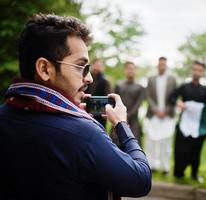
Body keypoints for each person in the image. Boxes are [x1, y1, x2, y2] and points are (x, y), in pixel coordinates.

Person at [0, 14, 151, 200]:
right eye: (81, 67)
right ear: (45, 69)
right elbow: (140, 181)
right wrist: (121, 124)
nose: (89, 78)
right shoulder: (85, 134)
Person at [169, 61, 206, 182]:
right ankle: (178, 173)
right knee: (181, 150)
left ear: (202, 73)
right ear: (191, 71)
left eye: (199, 70)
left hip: (198, 126)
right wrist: (178, 102)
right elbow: (172, 98)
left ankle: (194, 173)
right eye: (195, 70)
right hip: (184, 124)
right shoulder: (184, 87)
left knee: (196, 150)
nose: (197, 72)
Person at [144, 57, 177, 175]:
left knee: (166, 142)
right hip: (153, 114)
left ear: (166, 66)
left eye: (164, 65)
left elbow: (174, 97)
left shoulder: (172, 79)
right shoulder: (151, 79)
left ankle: (165, 167)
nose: (162, 67)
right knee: (151, 141)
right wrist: (156, 110)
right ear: (158, 65)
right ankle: (151, 165)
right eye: (160, 65)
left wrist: (166, 111)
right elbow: (148, 96)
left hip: (168, 116)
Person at [114, 61, 145, 144]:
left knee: (133, 144)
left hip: (134, 122)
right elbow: (114, 102)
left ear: (136, 71)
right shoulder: (118, 85)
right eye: (128, 68)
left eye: (133, 69)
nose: (131, 71)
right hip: (118, 120)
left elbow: (138, 104)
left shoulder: (140, 87)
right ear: (125, 70)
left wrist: (127, 116)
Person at [87, 58, 111, 128]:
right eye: (96, 65)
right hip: (86, 110)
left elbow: (108, 97)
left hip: (100, 113)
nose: (97, 67)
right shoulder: (86, 79)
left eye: (99, 65)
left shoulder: (106, 82)